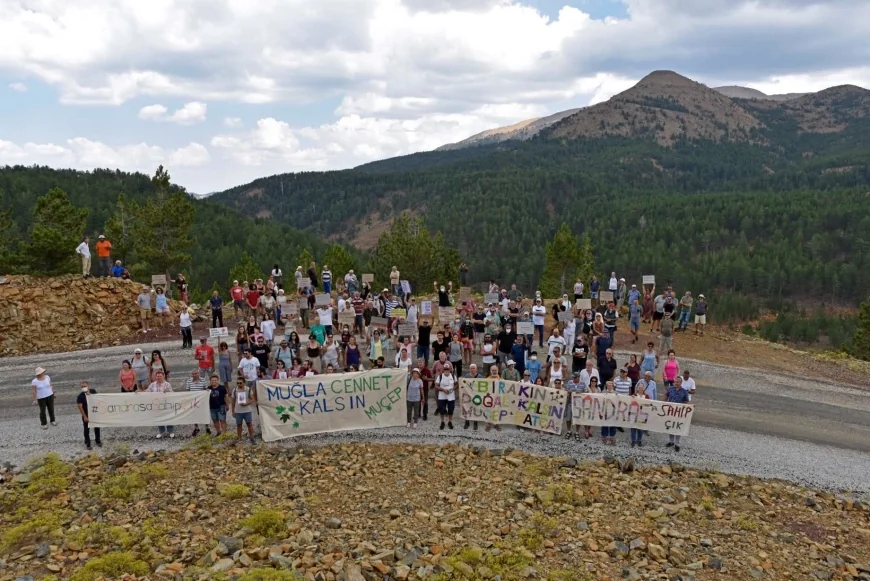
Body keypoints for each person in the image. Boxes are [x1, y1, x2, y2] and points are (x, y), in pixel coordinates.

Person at [147, 369, 174, 438]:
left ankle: (170, 431)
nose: (159, 377)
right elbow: (147, 392)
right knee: (159, 417)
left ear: (163, 376)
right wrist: (138, 392)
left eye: (160, 376)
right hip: (156, 404)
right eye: (157, 376)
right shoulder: (152, 384)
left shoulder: (167, 384)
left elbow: (173, 394)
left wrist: (168, 391)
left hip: (166, 403)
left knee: (168, 416)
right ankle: (161, 432)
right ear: (156, 377)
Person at [666, 376, 690, 451]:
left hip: (679, 413)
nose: (676, 383)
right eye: (675, 382)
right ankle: (671, 441)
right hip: (670, 412)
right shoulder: (670, 389)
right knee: (670, 426)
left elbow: (686, 401)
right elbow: (666, 397)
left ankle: (677, 444)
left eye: (678, 382)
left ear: (681, 383)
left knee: (678, 427)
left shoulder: (684, 391)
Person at [76, 381, 102, 450]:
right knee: (86, 429)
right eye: (82, 387)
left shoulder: (93, 391)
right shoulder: (80, 396)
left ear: (88, 386)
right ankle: (88, 443)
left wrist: (91, 395)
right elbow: (80, 407)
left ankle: (98, 440)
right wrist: (84, 416)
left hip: (94, 413)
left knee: (97, 427)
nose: (83, 388)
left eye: (84, 386)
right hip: (86, 414)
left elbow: (98, 399)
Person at [231, 377, 257, 444]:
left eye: (240, 383)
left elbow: (253, 399)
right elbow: (233, 401)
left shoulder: (248, 389)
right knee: (239, 425)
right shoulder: (234, 390)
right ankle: (239, 438)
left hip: (247, 410)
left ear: (244, 382)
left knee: (249, 424)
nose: (239, 384)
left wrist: (246, 403)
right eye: (237, 383)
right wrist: (233, 411)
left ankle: (252, 437)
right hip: (238, 411)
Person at [185, 369, 210, 436]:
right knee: (195, 414)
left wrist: (207, 391)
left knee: (204, 414)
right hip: (193, 401)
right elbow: (187, 390)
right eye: (193, 374)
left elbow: (205, 388)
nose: (195, 375)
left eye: (196, 373)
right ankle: (196, 428)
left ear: (198, 374)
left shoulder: (203, 380)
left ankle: (207, 427)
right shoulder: (189, 381)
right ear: (192, 374)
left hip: (202, 400)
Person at [435, 362, 456, 430]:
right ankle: (442, 422)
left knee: (451, 410)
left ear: (450, 369)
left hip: (451, 396)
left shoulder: (453, 376)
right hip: (442, 396)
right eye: (445, 369)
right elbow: (436, 386)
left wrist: (452, 389)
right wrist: (442, 389)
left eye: (447, 369)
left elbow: (457, 384)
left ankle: (450, 422)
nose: (446, 370)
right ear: (443, 370)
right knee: (442, 410)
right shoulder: (440, 376)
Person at [630, 382, 649, 447]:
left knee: (640, 428)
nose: (641, 388)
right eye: (639, 387)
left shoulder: (646, 396)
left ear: (644, 388)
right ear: (637, 388)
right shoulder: (634, 395)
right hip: (634, 414)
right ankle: (633, 440)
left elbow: (648, 405)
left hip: (642, 414)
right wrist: (631, 397)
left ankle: (639, 440)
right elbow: (630, 402)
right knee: (633, 428)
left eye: (642, 387)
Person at [600, 380, 617, 444]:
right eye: (608, 385)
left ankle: (612, 436)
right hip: (605, 410)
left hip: (613, 411)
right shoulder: (603, 392)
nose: (609, 386)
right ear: (606, 386)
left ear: (613, 385)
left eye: (610, 385)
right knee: (604, 423)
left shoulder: (616, 393)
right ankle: (604, 436)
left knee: (613, 423)